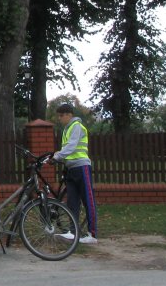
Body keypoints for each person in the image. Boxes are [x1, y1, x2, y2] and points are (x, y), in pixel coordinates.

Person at [53, 103, 98, 244]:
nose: (60, 119)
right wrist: (59, 157)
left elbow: (72, 146)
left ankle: (92, 234)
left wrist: (57, 156)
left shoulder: (76, 126)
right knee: (72, 202)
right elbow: (67, 149)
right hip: (71, 168)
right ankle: (73, 232)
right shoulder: (67, 129)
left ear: (69, 114)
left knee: (88, 200)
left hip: (81, 166)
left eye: (61, 116)